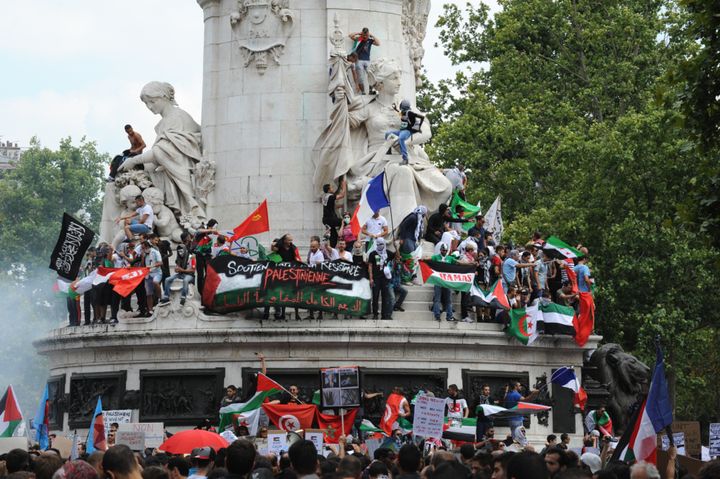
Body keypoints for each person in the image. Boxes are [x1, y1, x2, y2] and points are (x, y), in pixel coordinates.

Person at [118, 81, 206, 221]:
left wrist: (133, 161)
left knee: (159, 151)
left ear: (164, 96)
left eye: (152, 101)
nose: (150, 106)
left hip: (185, 165)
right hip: (172, 166)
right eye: (147, 103)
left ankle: (191, 203)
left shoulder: (177, 117)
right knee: (149, 166)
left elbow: (163, 151)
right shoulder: (164, 122)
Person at [160, 232, 195, 306]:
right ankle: (166, 297)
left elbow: (193, 270)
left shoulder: (191, 257)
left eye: (181, 251)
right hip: (180, 274)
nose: (180, 252)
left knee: (185, 280)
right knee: (167, 279)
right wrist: (177, 269)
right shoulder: (179, 258)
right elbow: (177, 266)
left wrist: (183, 270)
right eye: (179, 251)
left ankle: (183, 297)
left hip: (189, 275)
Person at [385, 100, 423, 164]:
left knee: (401, 138)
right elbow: (400, 113)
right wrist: (395, 109)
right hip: (401, 130)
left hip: (407, 131)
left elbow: (420, 117)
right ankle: (389, 150)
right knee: (388, 133)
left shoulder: (410, 113)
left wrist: (417, 127)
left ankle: (405, 158)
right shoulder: (403, 112)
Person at [349, 28, 380, 94]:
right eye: (364, 35)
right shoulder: (359, 39)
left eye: (366, 35)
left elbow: (378, 43)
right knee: (360, 78)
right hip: (359, 60)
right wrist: (359, 33)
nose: (365, 37)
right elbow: (350, 35)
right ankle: (363, 92)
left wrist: (372, 35)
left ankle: (371, 90)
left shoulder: (370, 40)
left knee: (371, 75)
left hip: (367, 60)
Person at [367, 238, 392, 320]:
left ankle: (384, 314)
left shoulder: (387, 253)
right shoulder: (373, 254)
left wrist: (397, 246)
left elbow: (397, 256)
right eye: (378, 244)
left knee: (385, 297)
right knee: (375, 296)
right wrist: (371, 278)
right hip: (376, 278)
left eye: (381, 244)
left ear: (384, 244)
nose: (379, 245)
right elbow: (370, 266)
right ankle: (375, 314)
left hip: (385, 278)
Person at [431, 243, 456, 322]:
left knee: (448, 300)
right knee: (437, 299)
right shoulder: (436, 257)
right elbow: (429, 259)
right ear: (440, 250)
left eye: (445, 250)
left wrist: (470, 264)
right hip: (438, 281)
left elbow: (458, 263)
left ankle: (449, 316)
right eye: (443, 250)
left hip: (446, 282)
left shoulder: (450, 258)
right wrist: (421, 258)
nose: (444, 252)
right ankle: (437, 315)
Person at [321, 180, 346, 248]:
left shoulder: (324, 196)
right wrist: (344, 186)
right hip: (330, 219)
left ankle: (332, 247)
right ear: (329, 190)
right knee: (344, 221)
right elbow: (342, 195)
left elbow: (328, 206)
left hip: (325, 219)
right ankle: (342, 235)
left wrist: (338, 207)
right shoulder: (331, 196)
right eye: (331, 188)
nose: (332, 189)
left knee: (334, 234)